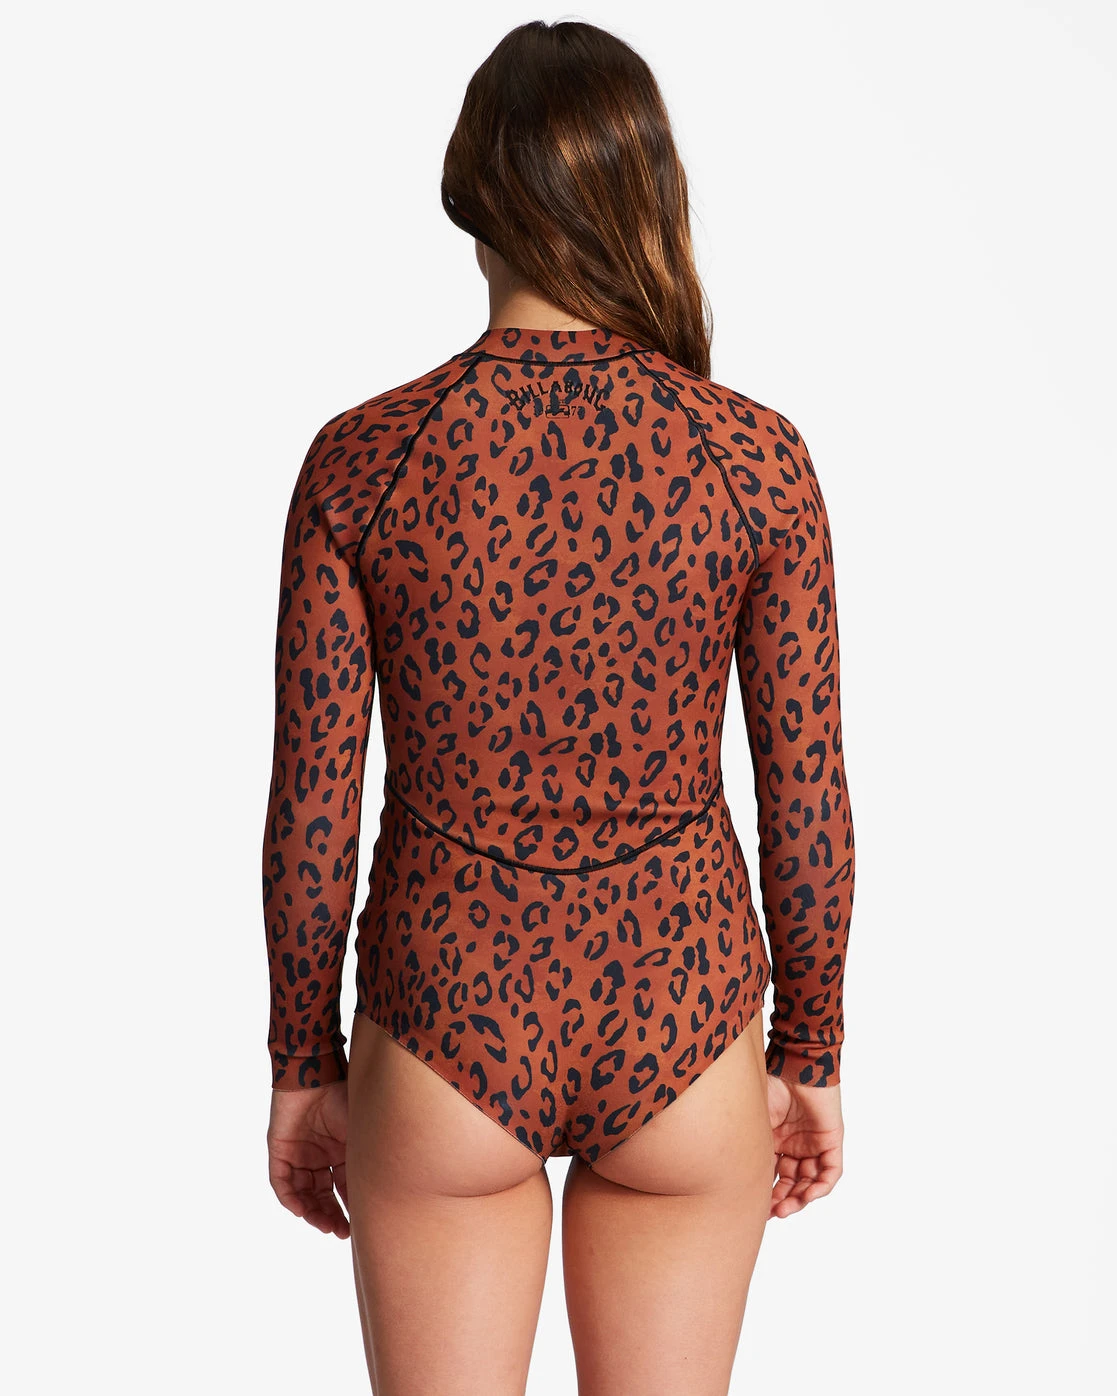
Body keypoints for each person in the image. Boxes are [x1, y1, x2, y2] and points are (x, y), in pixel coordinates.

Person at [262, 18, 855, 1395]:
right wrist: (812, 1049)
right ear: (649, 191)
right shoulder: (754, 459)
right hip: (683, 1012)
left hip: (443, 1021)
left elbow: (311, 808)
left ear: (470, 199)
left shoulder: (365, 460)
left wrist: (301, 1062)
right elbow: (808, 792)